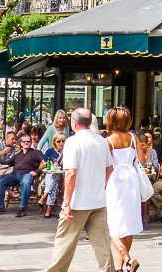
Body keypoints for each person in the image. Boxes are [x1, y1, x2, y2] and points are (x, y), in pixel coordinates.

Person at [44, 108, 115, 272]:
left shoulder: (72, 142)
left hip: (77, 203)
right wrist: (100, 186)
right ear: (89, 122)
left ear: (73, 123)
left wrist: (66, 203)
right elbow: (110, 168)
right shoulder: (101, 141)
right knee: (103, 246)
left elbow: (71, 173)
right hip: (98, 201)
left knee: (64, 244)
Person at [105, 107, 143, 272]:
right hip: (132, 179)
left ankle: (126, 260)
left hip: (115, 181)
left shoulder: (109, 141)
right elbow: (142, 160)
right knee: (129, 222)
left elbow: (105, 165)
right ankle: (120, 267)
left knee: (112, 225)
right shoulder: (133, 138)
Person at [0, 133, 45, 216]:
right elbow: (7, 163)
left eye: (28, 141)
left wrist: (37, 171)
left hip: (27, 174)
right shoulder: (18, 155)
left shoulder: (36, 152)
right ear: (21, 143)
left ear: (31, 142)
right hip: (14, 175)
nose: (26, 143)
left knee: (26, 182)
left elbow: (44, 162)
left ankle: (22, 208)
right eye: (24, 142)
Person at [38, 133, 66, 218]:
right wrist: (47, 163)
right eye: (59, 141)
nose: (61, 143)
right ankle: (49, 208)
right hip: (50, 175)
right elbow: (42, 165)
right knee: (53, 179)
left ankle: (45, 198)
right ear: (54, 142)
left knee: (54, 180)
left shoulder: (67, 152)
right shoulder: (49, 151)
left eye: (63, 141)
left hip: (63, 176)